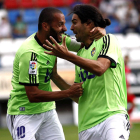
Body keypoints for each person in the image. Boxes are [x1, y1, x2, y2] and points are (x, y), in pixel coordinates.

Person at [6, 7, 106, 140]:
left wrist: (100, 32)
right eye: (60, 24)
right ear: (45, 26)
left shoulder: (58, 40)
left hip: (47, 111)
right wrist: (68, 92)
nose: (65, 28)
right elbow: (33, 95)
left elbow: (85, 43)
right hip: (23, 112)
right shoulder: (30, 54)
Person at [44, 4, 130, 140]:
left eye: (74, 22)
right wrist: (55, 77)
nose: (71, 28)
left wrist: (67, 55)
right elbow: (79, 96)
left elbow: (100, 68)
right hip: (86, 127)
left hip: (112, 118)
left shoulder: (108, 40)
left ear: (88, 23)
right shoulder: (81, 52)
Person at [124, 55, 135, 127]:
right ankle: (125, 121)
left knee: (133, 104)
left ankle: (128, 119)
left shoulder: (128, 69)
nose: (127, 60)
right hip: (123, 90)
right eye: (126, 59)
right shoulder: (121, 67)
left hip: (127, 90)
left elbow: (128, 81)